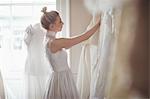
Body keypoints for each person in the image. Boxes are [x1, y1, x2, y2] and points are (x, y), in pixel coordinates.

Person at [40, 7, 100, 99]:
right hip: (62, 80)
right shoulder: (55, 42)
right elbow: (84, 37)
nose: (62, 23)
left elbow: (66, 46)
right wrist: (98, 24)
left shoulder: (48, 40)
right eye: (60, 21)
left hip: (58, 78)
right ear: (52, 26)